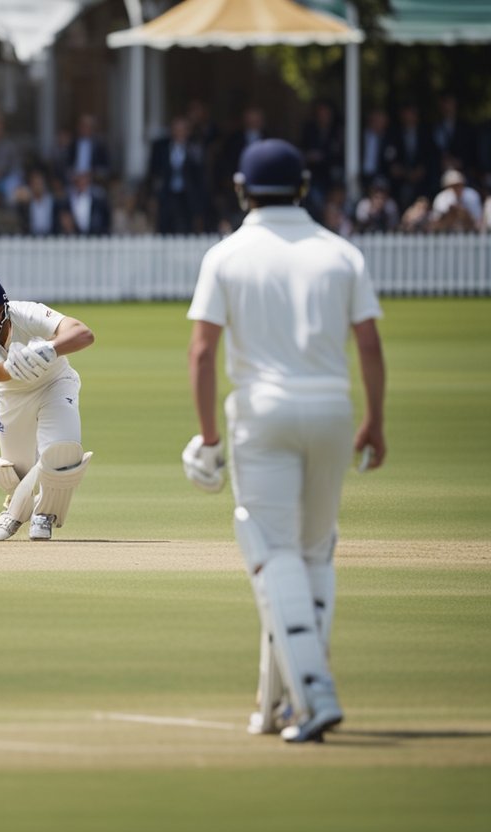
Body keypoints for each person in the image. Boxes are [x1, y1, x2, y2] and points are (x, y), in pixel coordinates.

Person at [183, 138, 386, 744]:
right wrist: (374, 420)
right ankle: (278, 704)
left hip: (261, 415)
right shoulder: (340, 252)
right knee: (313, 552)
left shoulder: (227, 254)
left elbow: (201, 352)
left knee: (273, 553)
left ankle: (316, 694)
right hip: (331, 410)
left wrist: (210, 437)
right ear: (303, 189)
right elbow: (370, 345)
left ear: (243, 190)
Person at [0, 275, 95, 542]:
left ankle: (45, 513)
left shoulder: (27, 312)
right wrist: (17, 364)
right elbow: (1, 374)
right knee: (13, 472)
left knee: (61, 450)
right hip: (13, 398)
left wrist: (50, 350)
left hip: (55, 384)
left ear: (4, 309)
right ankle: (15, 511)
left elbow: (84, 334)